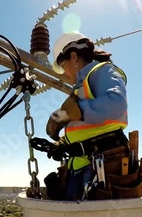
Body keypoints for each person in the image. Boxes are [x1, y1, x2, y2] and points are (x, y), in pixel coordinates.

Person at [45, 31, 129, 201]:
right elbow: (87, 127)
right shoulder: (81, 86)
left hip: (102, 167)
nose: (63, 73)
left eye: (62, 65)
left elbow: (117, 104)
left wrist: (76, 111)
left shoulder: (102, 71)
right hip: (83, 166)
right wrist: (63, 144)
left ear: (74, 57)